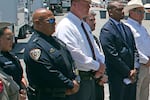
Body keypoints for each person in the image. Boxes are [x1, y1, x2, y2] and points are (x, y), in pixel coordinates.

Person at [24, 8, 79, 100]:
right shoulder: (35, 47)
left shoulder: (55, 41)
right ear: (38, 23)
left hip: (65, 94)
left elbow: (71, 62)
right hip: (48, 96)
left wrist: (76, 79)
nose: (54, 23)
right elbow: (48, 71)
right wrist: (70, 84)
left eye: (54, 20)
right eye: (50, 20)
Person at [56, 0, 106, 100]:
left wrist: (101, 65)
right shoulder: (66, 26)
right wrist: (97, 66)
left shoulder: (84, 25)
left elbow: (95, 49)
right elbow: (74, 55)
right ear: (75, 4)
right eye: (86, 4)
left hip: (91, 78)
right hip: (79, 79)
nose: (89, 7)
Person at [100, 1, 140, 100]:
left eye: (123, 9)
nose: (122, 12)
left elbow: (134, 49)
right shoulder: (107, 30)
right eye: (119, 9)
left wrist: (135, 68)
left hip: (132, 75)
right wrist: (127, 71)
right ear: (110, 12)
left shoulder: (126, 28)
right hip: (118, 76)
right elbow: (111, 55)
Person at [124, 0, 150, 100]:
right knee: (136, 93)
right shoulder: (128, 27)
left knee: (145, 92)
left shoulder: (142, 28)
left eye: (143, 12)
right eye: (139, 11)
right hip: (138, 65)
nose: (142, 14)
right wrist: (145, 60)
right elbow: (133, 47)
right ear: (131, 12)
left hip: (147, 65)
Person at [83, 10, 108, 100]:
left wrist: (103, 75)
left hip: (99, 81)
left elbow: (100, 58)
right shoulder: (81, 39)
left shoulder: (94, 38)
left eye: (94, 20)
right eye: (91, 20)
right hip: (89, 80)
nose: (95, 23)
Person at [0, 23, 27, 100]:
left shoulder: (12, 56)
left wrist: (23, 88)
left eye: (12, 38)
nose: (12, 42)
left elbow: (21, 76)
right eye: (8, 39)